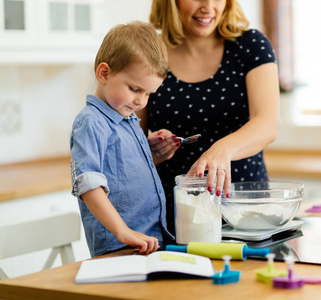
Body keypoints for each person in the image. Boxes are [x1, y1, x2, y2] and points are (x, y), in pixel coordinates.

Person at [137, 0, 280, 235]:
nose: (207, 6)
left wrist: (222, 150)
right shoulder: (149, 53)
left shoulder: (251, 46)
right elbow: (128, 141)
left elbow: (267, 123)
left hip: (243, 211)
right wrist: (148, 155)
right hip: (172, 214)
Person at [70, 21, 173, 257]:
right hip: (119, 244)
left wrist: (152, 152)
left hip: (146, 240)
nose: (141, 102)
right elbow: (88, 185)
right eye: (135, 89)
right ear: (104, 73)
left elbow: (120, 168)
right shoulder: (91, 122)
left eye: (148, 93)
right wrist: (122, 231)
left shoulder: (128, 118)